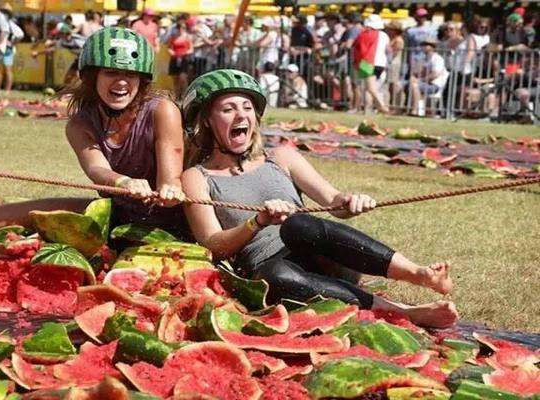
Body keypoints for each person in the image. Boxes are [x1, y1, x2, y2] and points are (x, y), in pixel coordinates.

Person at [180, 69, 458, 329]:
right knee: (274, 275)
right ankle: (399, 310)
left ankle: (419, 274)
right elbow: (212, 245)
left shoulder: (281, 157)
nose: (241, 116)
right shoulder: (197, 176)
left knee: (297, 226)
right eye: (228, 109)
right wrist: (258, 222)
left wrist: (350, 201)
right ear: (206, 120)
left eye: (247, 107)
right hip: (276, 274)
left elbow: (333, 201)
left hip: (325, 258)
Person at [0, 27, 187, 238]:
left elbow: (171, 181)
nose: (122, 82)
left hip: (165, 223)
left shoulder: (163, 110)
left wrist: (170, 192)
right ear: (92, 77)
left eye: (131, 74)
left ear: (142, 80)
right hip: (113, 212)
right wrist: (123, 182)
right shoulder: (79, 124)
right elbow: (96, 169)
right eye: (111, 72)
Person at [352, 14, 390, 114]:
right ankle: (368, 110)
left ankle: (382, 106)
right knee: (369, 87)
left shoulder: (365, 34)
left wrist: (356, 62)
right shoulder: (384, 35)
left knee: (370, 87)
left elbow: (358, 48)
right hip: (381, 64)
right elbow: (388, 49)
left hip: (368, 62)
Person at [408, 38, 449, 116]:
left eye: (426, 45)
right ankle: (403, 109)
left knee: (415, 85)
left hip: (435, 85)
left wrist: (421, 79)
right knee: (403, 84)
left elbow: (435, 74)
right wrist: (415, 76)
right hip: (426, 84)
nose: (423, 47)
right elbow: (420, 72)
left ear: (432, 47)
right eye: (423, 45)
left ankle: (415, 110)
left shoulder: (437, 58)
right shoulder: (425, 59)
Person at [0, 3, 23, 92]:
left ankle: (7, 90)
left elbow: (20, 35)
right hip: (0, 48)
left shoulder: (10, 23)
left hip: (7, 49)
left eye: (5, 12)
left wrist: (12, 43)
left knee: (7, 69)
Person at [167, 17, 193, 100]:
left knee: (183, 78)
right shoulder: (173, 37)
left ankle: (185, 96)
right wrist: (172, 52)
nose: (181, 29)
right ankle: (176, 97)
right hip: (175, 59)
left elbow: (191, 49)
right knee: (175, 80)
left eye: (183, 28)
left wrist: (185, 53)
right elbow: (169, 48)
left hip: (184, 59)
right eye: (180, 27)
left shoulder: (188, 37)